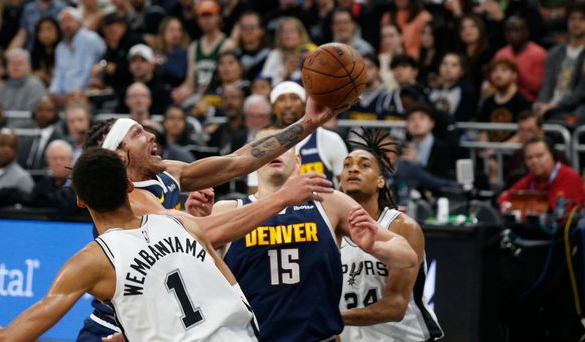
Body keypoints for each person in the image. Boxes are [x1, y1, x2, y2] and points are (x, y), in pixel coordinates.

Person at [76, 95, 352, 341]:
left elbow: (238, 161)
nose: (151, 135)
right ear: (120, 157)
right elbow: (202, 234)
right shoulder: (129, 201)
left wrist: (308, 123)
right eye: (137, 134)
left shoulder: (165, 174)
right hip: (120, 326)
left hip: (167, 320)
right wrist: (282, 198)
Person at [0, 148, 260, 341]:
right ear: (130, 185)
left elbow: (3, 339)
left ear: (79, 200)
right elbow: (236, 295)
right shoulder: (182, 223)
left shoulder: (93, 261)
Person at [206, 127, 418, 341]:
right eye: (265, 147)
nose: (273, 151)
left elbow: (407, 256)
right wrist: (196, 223)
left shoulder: (329, 202)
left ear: (297, 161)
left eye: (282, 145)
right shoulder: (227, 210)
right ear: (251, 162)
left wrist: (375, 246)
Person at [338, 129, 443, 341]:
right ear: (339, 180)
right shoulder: (330, 229)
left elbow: (395, 306)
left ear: (380, 181)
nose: (353, 169)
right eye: (347, 165)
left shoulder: (402, 227)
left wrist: (332, 318)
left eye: (364, 165)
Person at [269, 81, 348, 185]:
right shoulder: (265, 146)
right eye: (281, 99)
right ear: (273, 108)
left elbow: (346, 186)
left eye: (294, 98)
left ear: (304, 105)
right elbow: (256, 191)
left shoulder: (330, 139)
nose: (288, 105)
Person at [171, 0, 236, 104]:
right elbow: (190, 81)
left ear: (218, 17)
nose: (206, 20)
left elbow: (229, 79)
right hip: (198, 95)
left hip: (218, 94)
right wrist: (180, 92)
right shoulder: (194, 46)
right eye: (202, 16)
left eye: (210, 15)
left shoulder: (227, 44)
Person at [497, 136, 585, 212]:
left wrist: (523, 205)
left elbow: (555, 212)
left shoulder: (569, 176)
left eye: (539, 156)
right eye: (529, 158)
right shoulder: (531, 178)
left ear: (552, 155)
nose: (534, 161)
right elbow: (504, 199)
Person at [535, 3, 585, 119]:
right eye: (572, 19)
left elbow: (581, 91)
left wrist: (556, 105)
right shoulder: (554, 52)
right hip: (550, 105)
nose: (576, 23)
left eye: (582, 19)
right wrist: (541, 103)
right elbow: (546, 84)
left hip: (575, 107)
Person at [50, 7, 106, 101]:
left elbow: (88, 70)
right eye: (63, 22)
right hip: (64, 97)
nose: (66, 25)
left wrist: (76, 92)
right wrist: (53, 92)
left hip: (87, 94)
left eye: (70, 20)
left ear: (80, 22)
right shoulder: (60, 47)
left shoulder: (91, 39)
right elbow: (59, 73)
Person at [493, 16, 547, 102]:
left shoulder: (539, 54)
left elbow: (538, 87)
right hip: (502, 99)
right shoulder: (500, 54)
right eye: (509, 31)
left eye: (517, 30)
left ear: (526, 32)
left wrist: (517, 72)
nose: (512, 34)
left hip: (528, 101)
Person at [0, 129, 35, 204]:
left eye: (12, 147)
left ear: (17, 151)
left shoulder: (22, 178)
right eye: (2, 144)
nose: (6, 150)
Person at [17, 96, 66, 171]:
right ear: (34, 113)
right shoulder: (25, 138)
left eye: (49, 110)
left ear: (55, 114)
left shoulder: (61, 139)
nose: (44, 113)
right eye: (40, 110)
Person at [27, 139, 77, 213]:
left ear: (71, 160)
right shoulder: (41, 187)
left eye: (62, 158)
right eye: (54, 159)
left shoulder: (78, 187)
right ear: (47, 161)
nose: (58, 163)